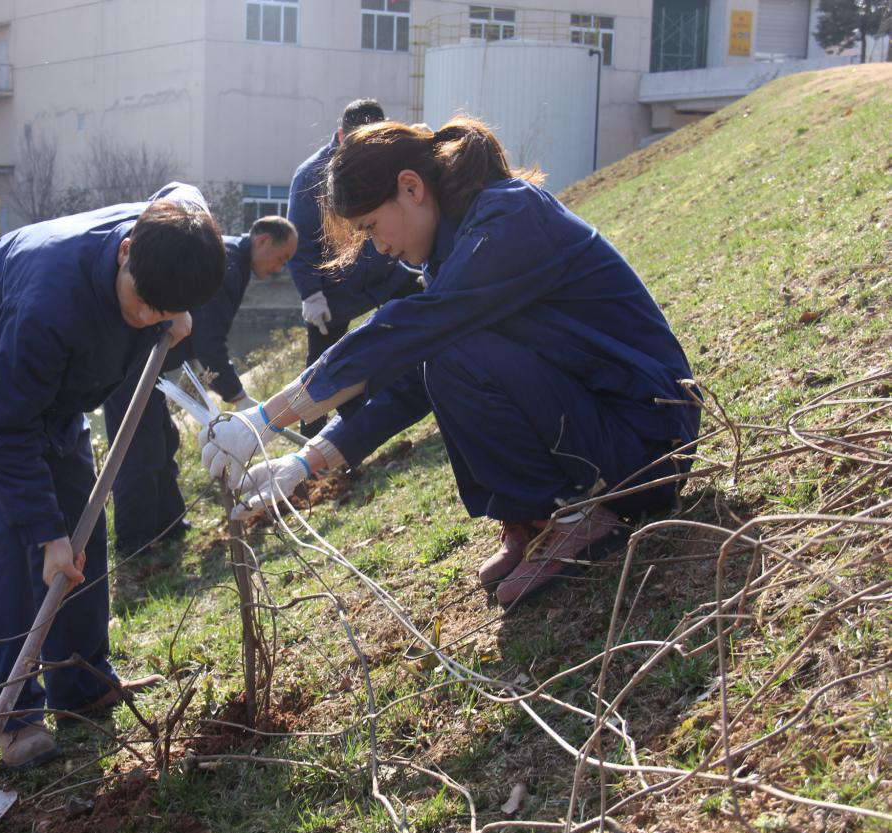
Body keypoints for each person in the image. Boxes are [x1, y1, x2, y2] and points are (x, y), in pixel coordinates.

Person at [200, 118, 700, 609]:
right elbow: (412, 381)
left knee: (451, 353)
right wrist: (305, 460)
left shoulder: (508, 217)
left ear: (411, 187)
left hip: (650, 441)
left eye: (372, 226)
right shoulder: (455, 249)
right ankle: (538, 514)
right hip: (612, 427)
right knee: (444, 358)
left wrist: (266, 417)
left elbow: (415, 330)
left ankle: (578, 515)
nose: (378, 247)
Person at [0, 183, 225, 769]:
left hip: (58, 383)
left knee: (84, 525)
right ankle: (13, 718)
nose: (147, 319)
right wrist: (45, 534)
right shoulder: (48, 302)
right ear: (124, 250)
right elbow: (5, 429)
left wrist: (173, 313)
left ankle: (81, 683)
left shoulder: (171, 242)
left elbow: (183, 192)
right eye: (141, 305)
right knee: (10, 540)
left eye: (161, 312)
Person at [101, 216, 298, 579]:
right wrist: (237, 397)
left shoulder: (234, 263)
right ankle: (136, 547)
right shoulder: (226, 265)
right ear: (264, 241)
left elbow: (203, 338)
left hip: (152, 364)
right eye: (282, 258)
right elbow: (210, 343)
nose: (279, 269)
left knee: (164, 440)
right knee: (138, 452)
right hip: (130, 363)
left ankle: (171, 526)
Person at [288, 98, 425, 436]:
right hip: (335, 288)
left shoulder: (388, 158)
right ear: (340, 134)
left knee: (427, 300)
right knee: (322, 364)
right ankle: (312, 440)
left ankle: (428, 383)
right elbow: (300, 242)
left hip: (386, 271)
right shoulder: (311, 177)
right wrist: (312, 294)